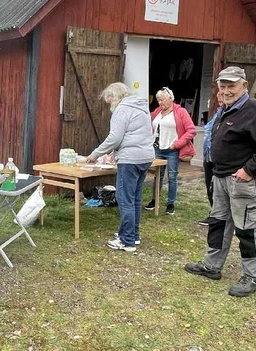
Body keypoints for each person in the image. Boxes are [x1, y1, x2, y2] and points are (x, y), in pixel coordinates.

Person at [185, 66, 256, 297]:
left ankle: (251, 276)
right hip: (221, 178)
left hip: (246, 182)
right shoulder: (226, 109)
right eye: (223, 86)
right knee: (218, 222)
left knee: (247, 229)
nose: (227, 90)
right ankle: (212, 266)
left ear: (244, 86)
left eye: (232, 86)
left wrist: (249, 169)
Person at [86, 82, 154, 252]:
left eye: (108, 98)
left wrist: (95, 154)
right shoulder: (141, 108)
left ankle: (127, 241)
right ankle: (133, 235)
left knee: (124, 199)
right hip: (145, 157)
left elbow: (115, 138)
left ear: (115, 97)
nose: (107, 102)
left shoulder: (122, 110)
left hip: (130, 159)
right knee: (135, 198)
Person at [145, 87, 196, 215]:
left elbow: (191, 130)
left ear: (170, 99)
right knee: (158, 176)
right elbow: (147, 121)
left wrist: (177, 144)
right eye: (158, 100)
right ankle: (154, 200)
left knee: (172, 176)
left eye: (162, 100)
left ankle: (170, 203)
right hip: (158, 148)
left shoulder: (180, 112)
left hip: (172, 149)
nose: (160, 103)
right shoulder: (157, 111)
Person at [198, 91, 224, 225]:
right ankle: (214, 214)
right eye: (219, 98)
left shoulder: (230, 115)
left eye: (222, 98)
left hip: (220, 159)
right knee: (210, 187)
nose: (220, 100)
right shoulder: (217, 114)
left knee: (219, 190)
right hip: (209, 157)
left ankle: (219, 217)